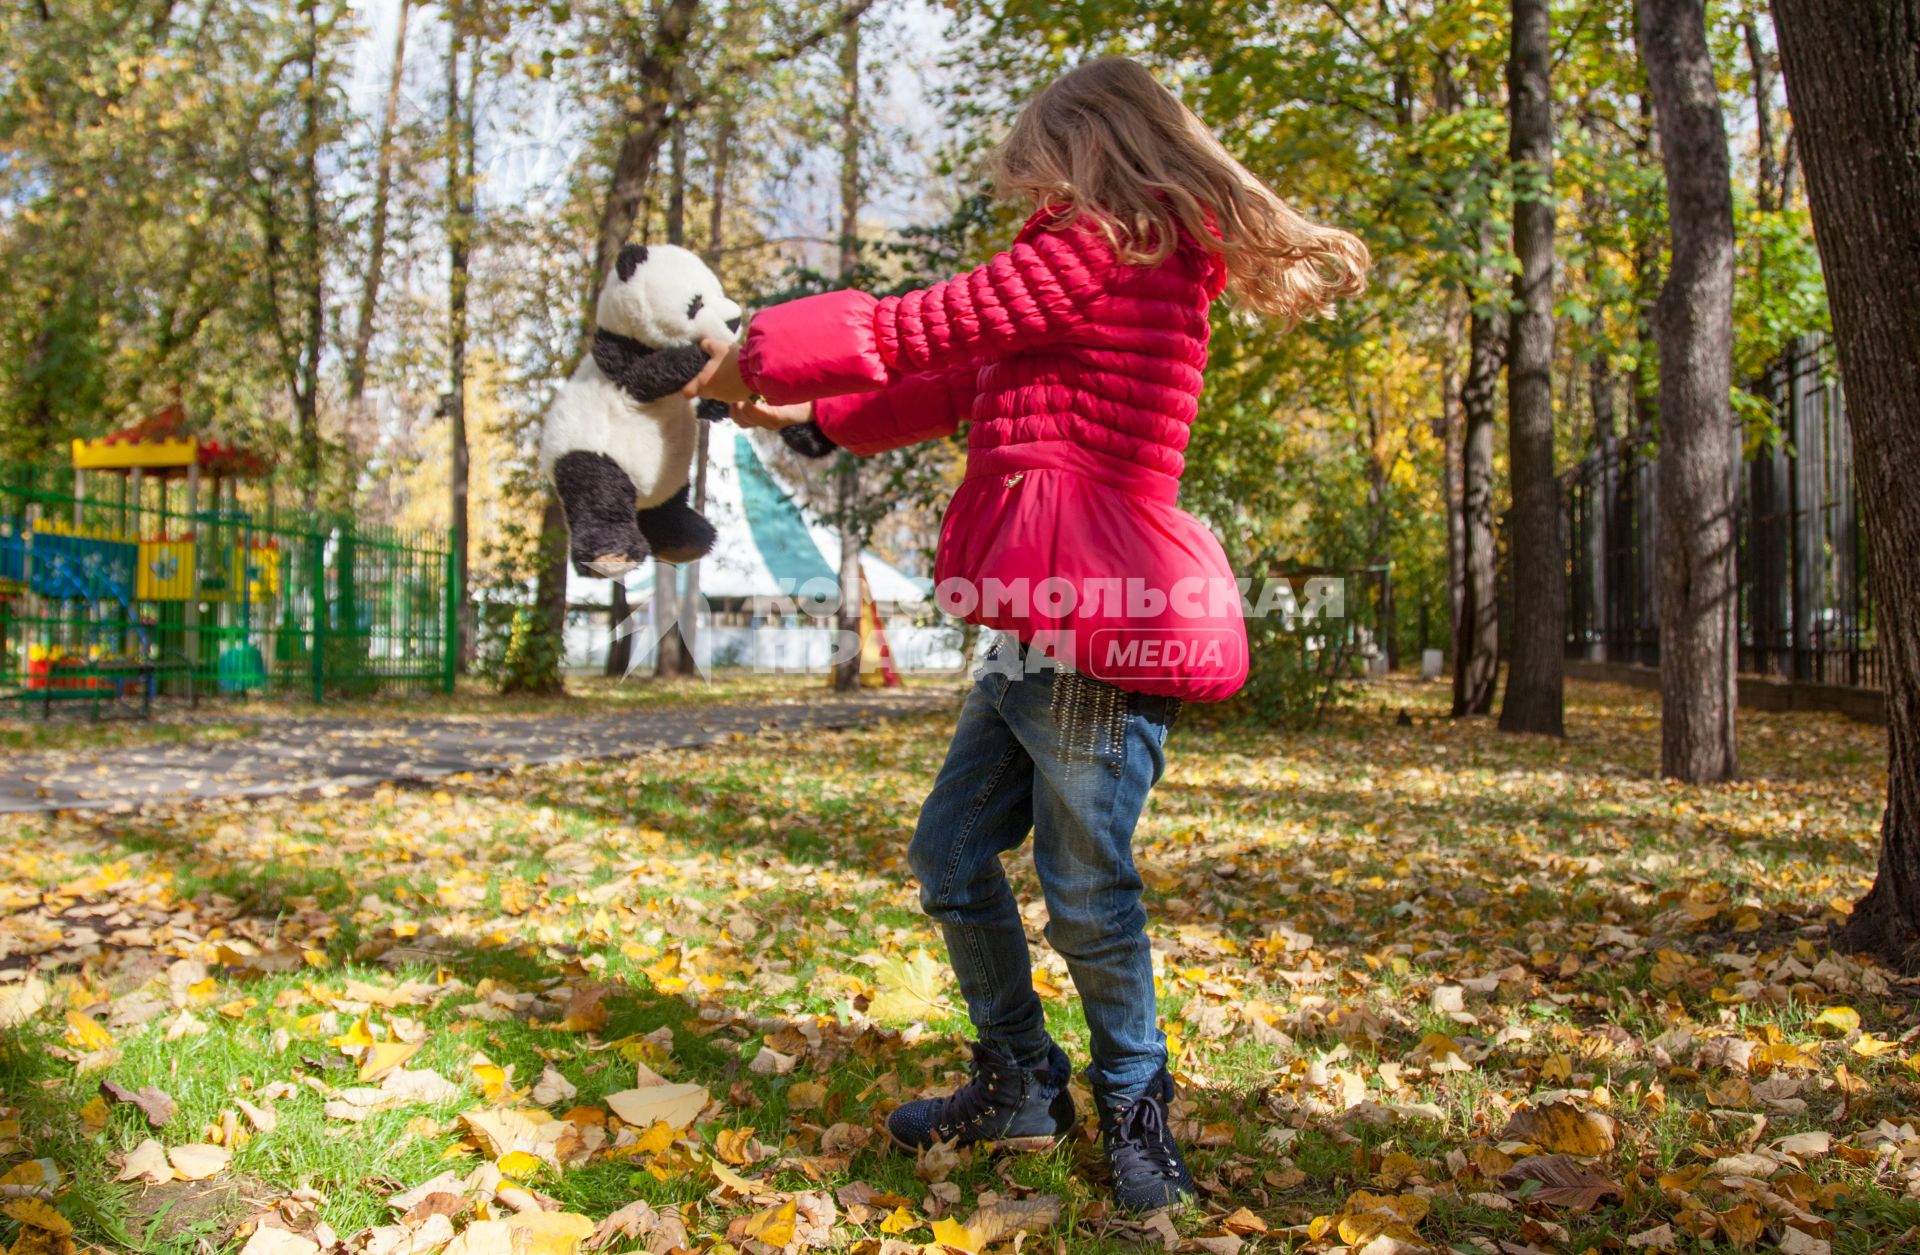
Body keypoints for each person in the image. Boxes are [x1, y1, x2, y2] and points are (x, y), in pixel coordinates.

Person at [694, 56, 1368, 1212]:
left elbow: (937, 321)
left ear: (1085, 147)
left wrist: (760, 350)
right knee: (952, 858)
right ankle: (1017, 1078)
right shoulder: (1082, 266)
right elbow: (955, 376)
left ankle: (1135, 1103)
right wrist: (806, 412)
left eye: (1035, 167)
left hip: (1098, 618)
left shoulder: (1108, 246)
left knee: (1087, 882)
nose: (1024, 193)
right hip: (1033, 622)